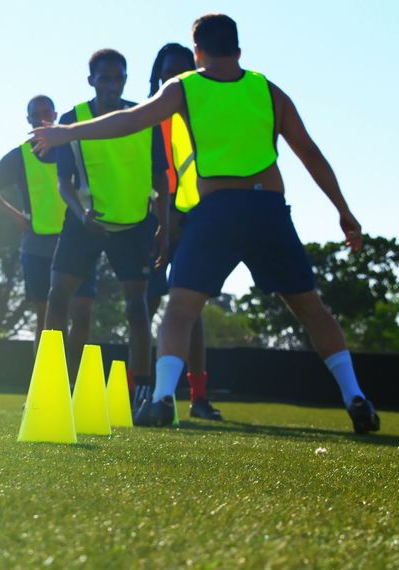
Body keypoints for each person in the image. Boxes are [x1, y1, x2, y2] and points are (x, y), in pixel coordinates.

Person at [30, 14, 380, 433]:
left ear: (197, 53)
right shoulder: (267, 90)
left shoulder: (186, 87)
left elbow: (130, 121)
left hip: (218, 211)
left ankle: (161, 399)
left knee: (180, 309)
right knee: (310, 308)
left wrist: (66, 133)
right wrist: (343, 209)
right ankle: (354, 395)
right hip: (269, 207)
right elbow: (309, 151)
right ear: (238, 49)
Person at [44, 48, 170, 393]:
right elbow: (63, 182)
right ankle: (51, 384)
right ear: (91, 81)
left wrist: (164, 225)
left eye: (119, 78)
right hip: (85, 223)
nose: (113, 85)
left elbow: (162, 177)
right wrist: (81, 212)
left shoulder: (143, 117)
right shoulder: (73, 119)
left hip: (133, 225)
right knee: (58, 298)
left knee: (136, 307)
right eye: (105, 78)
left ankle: (141, 390)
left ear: (125, 79)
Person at [0, 95, 96, 372]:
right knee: (46, 317)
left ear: (55, 115)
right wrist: (18, 217)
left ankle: (73, 384)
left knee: (82, 313)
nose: (42, 118)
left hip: (78, 240)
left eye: (47, 112)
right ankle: (45, 386)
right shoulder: (20, 156)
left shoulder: (73, 147)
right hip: (38, 246)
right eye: (36, 114)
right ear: (28, 120)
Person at [143, 42, 221, 421]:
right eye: (166, 71)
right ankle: (146, 391)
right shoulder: (145, 116)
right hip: (150, 217)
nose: (173, 77)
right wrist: (159, 216)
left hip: (193, 216)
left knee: (191, 309)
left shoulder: (202, 111)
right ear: (157, 77)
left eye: (181, 69)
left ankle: (199, 397)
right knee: (144, 305)